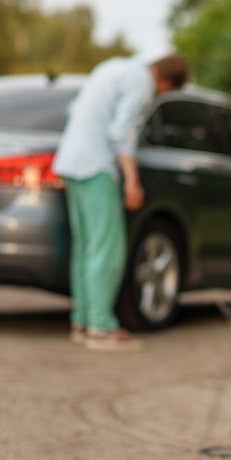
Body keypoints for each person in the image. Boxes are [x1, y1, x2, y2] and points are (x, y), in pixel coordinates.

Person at [53, 53, 189, 351]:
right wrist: (131, 179)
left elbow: (74, 109)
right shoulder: (141, 83)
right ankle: (101, 327)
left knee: (86, 248)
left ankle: (82, 321)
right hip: (97, 166)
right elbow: (122, 132)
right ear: (165, 82)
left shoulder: (111, 67)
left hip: (70, 162)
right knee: (108, 249)